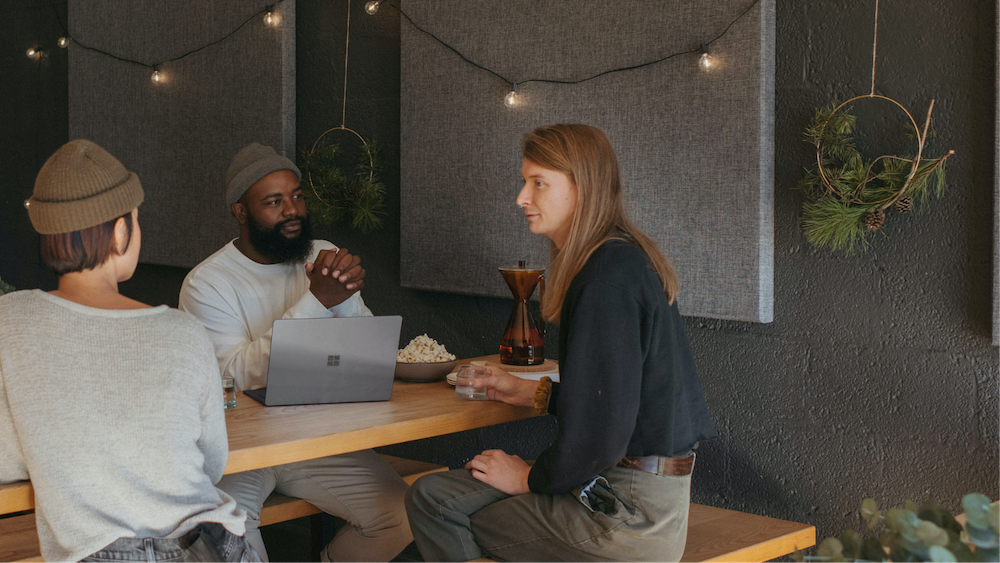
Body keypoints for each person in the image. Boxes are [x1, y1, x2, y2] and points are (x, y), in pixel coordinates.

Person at [404, 124, 718, 563]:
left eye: (538, 183)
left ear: (581, 189)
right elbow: (620, 400)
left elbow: (600, 438)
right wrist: (533, 392)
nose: (521, 197)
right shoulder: (621, 259)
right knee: (437, 494)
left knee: (435, 501)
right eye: (524, 181)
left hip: (625, 519)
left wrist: (529, 478)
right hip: (639, 498)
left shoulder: (602, 281)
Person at [0, 139, 256, 563]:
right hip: (210, 547)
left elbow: (7, 459)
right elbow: (211, 464)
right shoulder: (183, 330)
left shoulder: (9, 322)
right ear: (120, 230)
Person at [178, 143, 412, 563]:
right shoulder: (207, 283)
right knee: (226, 536)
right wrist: (317, 301)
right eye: (273, 201)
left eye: (297, 196)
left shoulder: (320, 252)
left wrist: (345, 297)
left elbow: (364, 348)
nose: (292, 210)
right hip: (238, 450)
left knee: (404, 515)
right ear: (241, 211)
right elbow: (231, 377)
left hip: (317, 439)